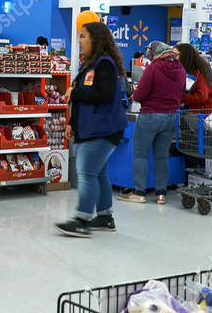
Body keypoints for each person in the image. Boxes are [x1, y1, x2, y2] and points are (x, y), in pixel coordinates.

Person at [55, 21, 128, 238]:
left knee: (86, 172)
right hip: (94, 128)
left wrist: (74, 93)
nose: (80, 40)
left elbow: (104, 95)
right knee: (99, 172)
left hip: (104, 129)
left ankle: (81, 219)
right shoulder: (91, 64)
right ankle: (105, 217)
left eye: (84, 36)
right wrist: (71, 124)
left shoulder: (104, 64)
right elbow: (84, 101)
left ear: (95, 39)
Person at [122, 41, 185, 204]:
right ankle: (161, 194)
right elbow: (182, 92)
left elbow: (140, 93)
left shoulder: (153, 68)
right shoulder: (180, 69)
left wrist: (135, 95)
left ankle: (139, 192)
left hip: (150, 115)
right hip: (171, 116)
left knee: (140, 153)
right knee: (162, 155)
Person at [175, 43, 212, 112]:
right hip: (191, 111)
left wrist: (180, 97)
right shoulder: (184, 70)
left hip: (202, 113)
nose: (174, 58)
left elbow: (201, 96)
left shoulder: (198, 72)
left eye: (177, 55)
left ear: (185, 56)